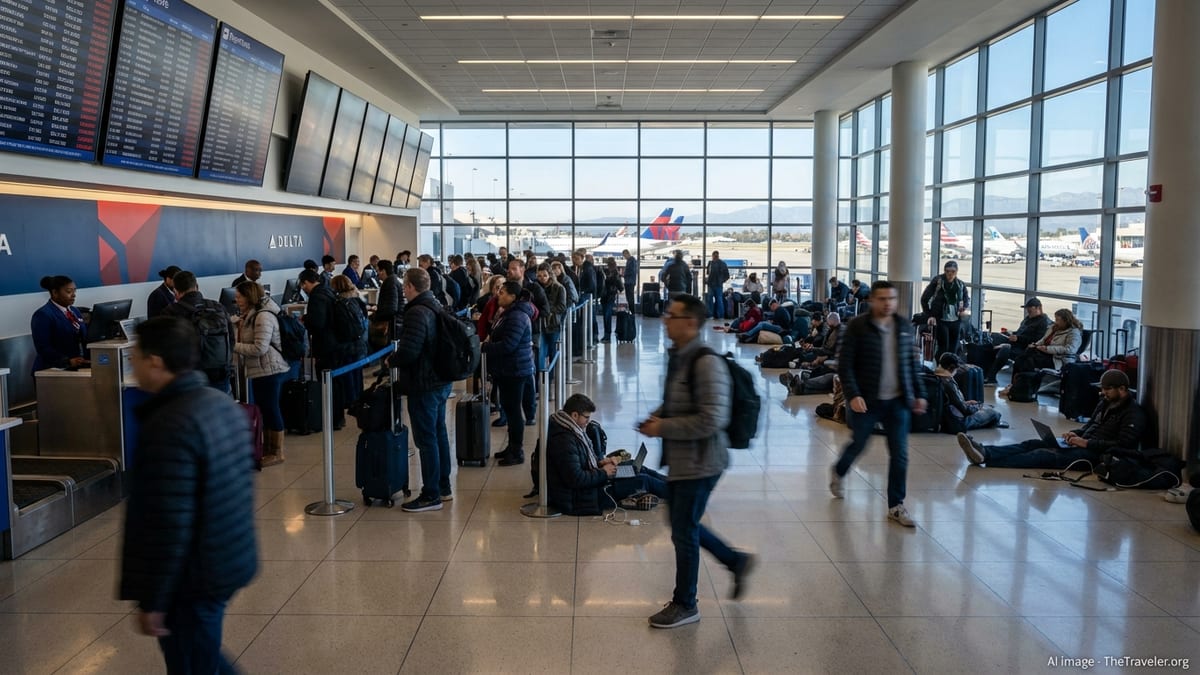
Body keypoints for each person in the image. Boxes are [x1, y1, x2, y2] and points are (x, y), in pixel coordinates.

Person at [119, 316, 256, 673]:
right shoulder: (220, 403)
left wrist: (154, 599)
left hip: (193, 577)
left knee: (195, 663)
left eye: (135, 356)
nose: (131, 363)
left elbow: (168, 521)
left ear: (155, 361)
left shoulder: (169, 423)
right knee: (203, 657)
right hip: (227, 558)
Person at [639, 294, 754, 629]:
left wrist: (664, 426)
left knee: (684, 530)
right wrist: (657, 416)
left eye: (671, 315)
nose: (664, 320)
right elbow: (681, 402)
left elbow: (712, 419)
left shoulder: (705, 362)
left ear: (690, 322)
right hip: (684, 459)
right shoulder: (681, 356)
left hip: (702, 462)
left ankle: (686, 603)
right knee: (681, 525)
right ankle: (735, 561)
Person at [832, 281, 927, 527]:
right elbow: (845, 365)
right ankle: (839, 471)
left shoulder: (904, 327)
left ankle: (896, 505)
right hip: (867, 399)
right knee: (859, 444)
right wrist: (852, 394)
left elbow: (912, 365)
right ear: (872, 300)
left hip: (898, 401)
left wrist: (920, 393)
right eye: (882, 299)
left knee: (900, 454)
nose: (888, 304)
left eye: (891, 299)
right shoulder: (857, 327)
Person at [959, 369, 1146, 469]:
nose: (1103, 392)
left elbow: (1124, 444)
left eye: (1108, 389)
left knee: (1043, 456)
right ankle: (985, 451)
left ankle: (988, 459)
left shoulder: (1133, 413)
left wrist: (1087, 444)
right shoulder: (1104, 403)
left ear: (1122, 389)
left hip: (1096, 454)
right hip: (1083, 444)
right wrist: (1075, 434)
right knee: (1033, 444)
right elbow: (1090, 426)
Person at [391, 268, 454, 510]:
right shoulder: (437, 304)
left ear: (409, 286)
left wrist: (392, 360)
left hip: (424, 384)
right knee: (438, 434)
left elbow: (409, 351)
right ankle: (443, 486)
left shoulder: (416, 312)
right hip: (440, 380)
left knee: (427, 439)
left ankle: (431, 494)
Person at [547, 394, 667, 516]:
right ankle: (678, 493)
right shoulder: (564, 441)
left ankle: (673, 483)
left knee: (636, 468)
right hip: (581, 498)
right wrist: (604, 472)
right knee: (644, 480)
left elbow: (580, 464)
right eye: (586, 417)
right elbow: (576, 479)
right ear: (574, 415)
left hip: (590, 485)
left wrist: (601, 463)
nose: (588, 422)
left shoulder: (569, 429)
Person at [232, 281, 291, 466]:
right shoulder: (251, 315)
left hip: (270, 369)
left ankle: (277, 452)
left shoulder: (263, 317)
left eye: (239, 296)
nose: (236, 299)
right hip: (261, 370)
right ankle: (268, 449)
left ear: (249, 296)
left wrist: (234, 346)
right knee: (265, 408)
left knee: (271, 409)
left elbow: (259, 348)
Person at [482, 281, 536, 466]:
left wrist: (486, 347)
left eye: (503, 292)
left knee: (513, 411)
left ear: (513, 297)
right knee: (509, 408)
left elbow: (509, 345)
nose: (498, 295)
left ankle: (517, 450)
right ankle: (511, 447)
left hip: (515, 369)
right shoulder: (509, 313)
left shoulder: (517, 316)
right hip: (508, 368)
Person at [163, 271, 232, 393]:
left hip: (188, 379)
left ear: (175, 291)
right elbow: (231, 338)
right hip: (220, 373)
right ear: (197, 286)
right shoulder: (217, 307)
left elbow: (166, 348)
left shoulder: (171, 312)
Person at [298, 268, 349, 428]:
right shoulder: (327, 291)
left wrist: (305, 320)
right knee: (337, 383)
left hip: (326, 346)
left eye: (303, 285)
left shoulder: (316, 296)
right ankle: (338, 418)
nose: (303, 288)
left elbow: (318, 322)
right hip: (337, 344)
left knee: (328, 383)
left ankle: (331, 418)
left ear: (306, 282)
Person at [1001, 308, 1083, 394]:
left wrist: (1047, 349)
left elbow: (1070, 349)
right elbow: (1043, 339)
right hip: (1044, 353)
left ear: (1065, 321)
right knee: (1020, 360)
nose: (1056, 322)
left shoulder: (1074, 333)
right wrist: (1036, 345)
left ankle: (1023, 388)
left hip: (1056, 358)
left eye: (1058, 320)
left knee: (1028, 361)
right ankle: (1015, 386)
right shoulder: (1054, 328)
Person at [985, 297, 1051, 385]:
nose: (1028, 312)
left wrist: (1018, 338)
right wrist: (1011, 334)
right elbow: (1021, 332)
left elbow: (1037, 340)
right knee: (992, 338)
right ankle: (985, 372)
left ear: (1038, 308)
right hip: (1016, 343)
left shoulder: (1043, 323)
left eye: (1030, 310)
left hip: (1025, 348)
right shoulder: (1028, 319)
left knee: (1004, 348)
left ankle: (991, 376)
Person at [31, 275, 89, 372]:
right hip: (51, 370)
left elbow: (83, 338)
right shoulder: (43, 315)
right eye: (69, 291)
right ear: (55, 293)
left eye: (75, 291)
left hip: (75, 368)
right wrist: (68, 361)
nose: (74, 295)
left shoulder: (75, 311)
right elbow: (43, 348)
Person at [329, 274, 368, 417]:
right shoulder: (357, 295)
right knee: (357, 371)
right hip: (359, 340)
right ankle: (359, 397)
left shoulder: (338, 302)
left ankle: (351, 400)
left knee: (348, 372)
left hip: (346, 342)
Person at [935, 353, 1002, 432]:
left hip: (942, 419)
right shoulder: (949, 383)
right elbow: (966, 411)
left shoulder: (935, 377)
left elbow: (949, 402)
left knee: (985, 407)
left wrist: (966, 403)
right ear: (951, 368)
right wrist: (977, 408)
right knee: (994, 413)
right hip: (957, 421)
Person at [920, 260, 970, 358]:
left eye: (953, 271)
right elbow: (924, 299)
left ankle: (950, 368)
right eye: (947, 271)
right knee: (943, 347)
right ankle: (940, 367)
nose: (950, 274)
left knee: (953, 348)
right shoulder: (938, 282)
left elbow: (966, 299)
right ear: (944, 271)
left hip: (955, 320)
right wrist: (930, 315)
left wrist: (963, 309)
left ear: (956, 272)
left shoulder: (960, 284)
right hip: (941, 319)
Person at [535, 263, 566, 364]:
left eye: (544, 275)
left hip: (553, 324)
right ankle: (541, 375)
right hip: (539, 324)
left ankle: (551, 376)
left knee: (553, 352)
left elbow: (562, 306)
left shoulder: (559, 288)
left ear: (549, 274)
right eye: (539, 276)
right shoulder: (535, 288)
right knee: (540, 351)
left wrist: (547, 310)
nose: (542, 278)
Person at [371, 259, 402, 344]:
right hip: (394, 322)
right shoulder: (393, 280)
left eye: (378, 270)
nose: (377, 273)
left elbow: (391, 308)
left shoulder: (390, 283)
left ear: (383, 271)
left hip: (390, 325)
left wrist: (377, 314)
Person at [599, 258, 624, 342]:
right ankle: (607, 335)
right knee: (607, 316)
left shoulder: (609, 273)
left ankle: (607, 335)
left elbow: (620, 286)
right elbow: (621, 287)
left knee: (607, 316)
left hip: (607, 296)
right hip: (609, 296)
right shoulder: (613, 273)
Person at [706, 251, 730, 319]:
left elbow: (708, 273)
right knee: (719, 300)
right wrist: (722, 280)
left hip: (711, 284)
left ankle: (711, 314)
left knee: (711, 300)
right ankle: (720, 315)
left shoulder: (710, 263)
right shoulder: (723, 263)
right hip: (718, 284)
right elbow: (727, 275)